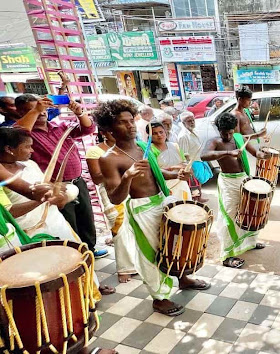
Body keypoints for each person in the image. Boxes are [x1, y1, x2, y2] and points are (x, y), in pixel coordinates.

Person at [95, 99, 209, 317]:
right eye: (122, 122)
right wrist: (127, 177)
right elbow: (115, 198)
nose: (129, 126)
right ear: (109, 129)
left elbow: (157, 171)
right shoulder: (109, 158)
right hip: (142, 208)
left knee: (174, 245)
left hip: (162, 199)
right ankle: (159, 298)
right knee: (152, 254)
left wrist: (177, 174)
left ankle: (182, 278)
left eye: (131, 120)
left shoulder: (141, 146)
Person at [0, 127, 115, 297]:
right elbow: (10, 213)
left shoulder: (30, 164)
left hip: (54, 221)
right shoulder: (3, 175)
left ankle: (92, 289)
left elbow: (45, 187)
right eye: (27, 147)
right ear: (9, 149)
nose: (32, 150)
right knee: (48, 271)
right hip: (28, 230)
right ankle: (70, 303)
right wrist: (41, 198)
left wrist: (60, 191)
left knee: (76, 257)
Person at [15, 94, 108, 259]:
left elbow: (88, 128)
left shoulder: (59, 126)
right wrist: (35, 111)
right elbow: (18, 133)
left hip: (78, 182)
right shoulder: (25, 135)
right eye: (34, 109)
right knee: (68, 223)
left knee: (86, 219)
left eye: (42, 108)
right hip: (56, 187)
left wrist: (79, 113)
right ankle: (75, 256)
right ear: (22, 113)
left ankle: (90, 250)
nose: (42, 112)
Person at [201, 112, 267, 269]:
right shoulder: (215, 142)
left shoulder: (238, 138)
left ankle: (249, 242)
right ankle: (227, 254)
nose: (229, 135)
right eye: (225, 132)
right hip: (228, 181)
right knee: (229, 215)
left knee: (248, 211)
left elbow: (254, 152)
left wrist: (263, 154)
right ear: (219, 130)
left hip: (243, 179)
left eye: (231, 132)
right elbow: (204, 156)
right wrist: (228, 153)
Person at [86, 128, 132, 282]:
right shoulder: (95, 150)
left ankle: (138, 262)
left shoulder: (128, 147)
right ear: (105, 132)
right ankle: (124, 268)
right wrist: (116, 169)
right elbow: (97, 179)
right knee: (118, 227)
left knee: (134, 227)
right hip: (110, 192)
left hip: (132, 189)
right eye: (113, 129)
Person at [148, 120, 192, 201]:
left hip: (180, 182)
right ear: (150, 136)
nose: (159, 135)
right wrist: (174, 168)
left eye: (161, 132)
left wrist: (172, 167)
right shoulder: (149, 150)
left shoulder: (175, 146)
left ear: (165, 132)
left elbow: (184, 164)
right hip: (164, 185)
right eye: (155, 133)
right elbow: (154, 170)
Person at [178, 111, 213, 201]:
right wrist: (189, 167)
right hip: (192, 163)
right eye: (189, 121)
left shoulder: (194, 131)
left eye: (193, 120)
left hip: (200, 160)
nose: (192, 122)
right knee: (194, 183)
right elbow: (183, 154)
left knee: (199, 182)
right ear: (183, 123)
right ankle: (196, 199)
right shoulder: (183, 136)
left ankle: (199, 197)